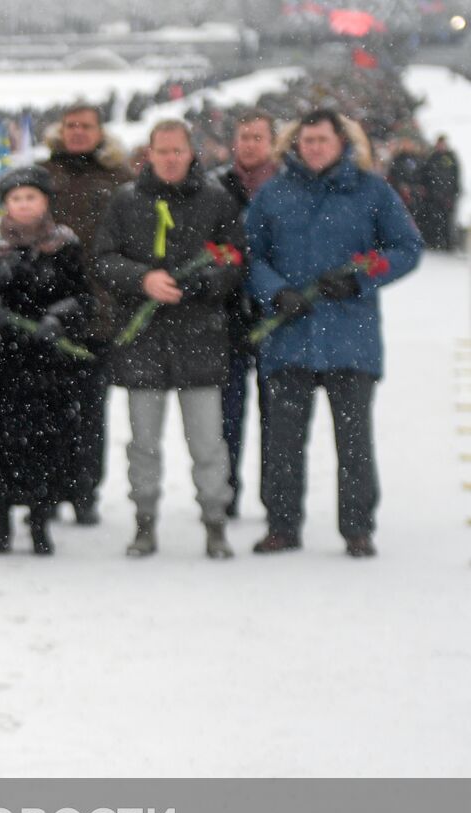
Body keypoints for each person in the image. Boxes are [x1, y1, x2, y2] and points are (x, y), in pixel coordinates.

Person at [245, 109, 422, 558]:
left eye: (322, 140)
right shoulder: (274, 194)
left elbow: (405, 247)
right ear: (295, 144)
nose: (314, 148)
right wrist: (275, 292)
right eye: (307, 141)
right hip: (289, 335)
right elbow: (251, 255)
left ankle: (357, 526)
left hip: (350, 335)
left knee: (354, 441)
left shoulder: (371, 192)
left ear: (342, 143)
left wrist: (360, 279)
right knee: (283, 440)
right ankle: (282, 524)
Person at [92, 120, 244, 559]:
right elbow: (104, 259)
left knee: (207, 441)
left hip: (199, 335)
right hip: (145, 338)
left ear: (190, 152)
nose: (171, 159)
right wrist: (142, 279)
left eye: (178, 151)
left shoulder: (216, 200)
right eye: (163, 151)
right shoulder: (126, 201)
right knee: (143, 441)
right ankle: (144, 520)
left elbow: (235, 258)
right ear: (150, 153)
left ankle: (214, 519)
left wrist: (204, 284)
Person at [0, 166, 93, 556]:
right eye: (16, 198)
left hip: (45, 361)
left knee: (43, 442)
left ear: (45, 201)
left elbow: (81, 294)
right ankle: (0, 522)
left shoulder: (64, 243)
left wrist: (58, 317)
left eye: (31, 197)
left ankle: (39, 521)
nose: (24, 204)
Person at [39, 102, 133, 526]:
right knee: (46, 406)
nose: (78, 132)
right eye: (71, 125)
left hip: (99, 309)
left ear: (100, 131)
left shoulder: (119, 179)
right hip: (47, 309)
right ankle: (48, 487)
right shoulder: (44, 175)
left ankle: (85, 489)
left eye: (86, 126)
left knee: (91, 409)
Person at [210, 109, 279, 518]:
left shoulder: (286, 186)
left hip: (276, 313)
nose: (250, 144)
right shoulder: (218, 186)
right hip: (228, 314)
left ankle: (277, 498)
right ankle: (226, 490)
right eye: (244, 137)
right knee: (226, 416)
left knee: (278, 418)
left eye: (258, 137)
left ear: (272, 141)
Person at [420, 135, 460, 251]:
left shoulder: (450, 157)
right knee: (434, 219)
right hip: (434, 196)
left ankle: (448, 243)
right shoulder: (432, 157)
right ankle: (434, 242)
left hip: (447, 195)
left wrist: (452, 194)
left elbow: (455, 176)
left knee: (447, 220)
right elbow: (426, 175)